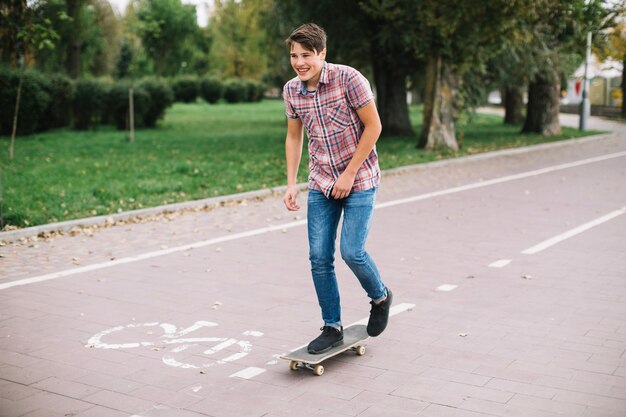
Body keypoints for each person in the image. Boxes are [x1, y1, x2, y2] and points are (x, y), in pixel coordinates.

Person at [282, 23, 393, 354]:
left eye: (306, 55)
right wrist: (291, 183)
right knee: (318, 257)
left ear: (322, 54)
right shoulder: (291, 91)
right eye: (293, 56)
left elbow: (374, 126)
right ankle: (332, 326)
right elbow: (293, 135)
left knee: (352, 251)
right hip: (321, 181)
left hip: (359, 179)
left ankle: (381, 296)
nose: (299, 62)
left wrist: (349, 173)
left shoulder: (349, 79)